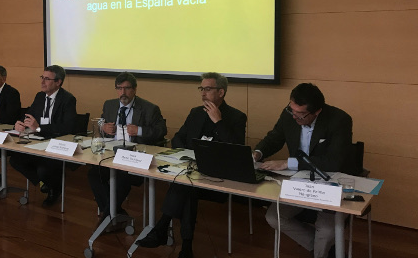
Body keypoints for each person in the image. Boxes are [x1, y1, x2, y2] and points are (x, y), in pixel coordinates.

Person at [137, 72, 247, 258]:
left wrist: (218, 121)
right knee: (188, 187)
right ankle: (186, 247)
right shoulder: (196, 112)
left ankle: (162, 229)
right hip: (191, 171)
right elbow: (178, 137)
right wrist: (185, 153)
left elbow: (236, 150)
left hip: (219, 178)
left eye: (208, 89)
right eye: (201, 89)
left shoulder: (237, 117)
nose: (203, 93)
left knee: (185, 186)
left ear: (221, 92)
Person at [253, 83, 353, 258]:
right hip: (298, 182)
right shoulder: (289, 113)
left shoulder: (339, 120)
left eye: (300, 114)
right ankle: (322, 248)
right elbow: (275, 138)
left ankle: (323, 249)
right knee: (274, 217)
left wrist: (288, 163)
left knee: (327, 230)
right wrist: (258, 153)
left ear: (317, 112)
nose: (294, 116)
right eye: (291, 109)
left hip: (329, 182)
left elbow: (333, 162)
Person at [88, 72, 167, 230]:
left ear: (135, 89)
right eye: (119, 88)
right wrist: (103, 127)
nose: (122, 93)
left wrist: (139, 130)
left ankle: (108, 217)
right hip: (111, 154)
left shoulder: (149, 108)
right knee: (94, 174)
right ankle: (115, 213)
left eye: (127, 88)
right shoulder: (109, 105)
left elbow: (161, 131)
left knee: (121, 178)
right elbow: (101, 121)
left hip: (134, 157)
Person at [10, 65, 77, 207]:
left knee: (43, 169)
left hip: (55, 144)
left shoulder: (68, 99)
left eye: (47, 79)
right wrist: (20, 123)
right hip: (36, 142)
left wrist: (39, 128)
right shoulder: (40, 96)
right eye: (42, 77)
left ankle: (54, 189)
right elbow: (29, 114)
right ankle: (44, 183)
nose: (42, 82)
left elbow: (67, 128)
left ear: (58, 82)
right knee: (15, 160)